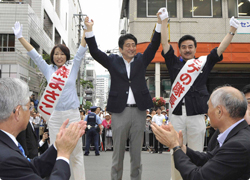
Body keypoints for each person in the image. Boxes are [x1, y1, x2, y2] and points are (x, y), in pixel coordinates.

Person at [84, 9, 162, 180]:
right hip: (120, 112)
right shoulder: (113, 61)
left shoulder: (141, 59)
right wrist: (89, 29)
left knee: (136, 154)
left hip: (140, 111)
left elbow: (154, 45)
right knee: (117, 153)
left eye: (133, 45)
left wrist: (159, 23)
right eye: (127, 45)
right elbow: (95, 51)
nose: (131, 48)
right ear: (120, 48)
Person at [161, 14, 240, 179]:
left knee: (196, 151)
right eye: (183, 47)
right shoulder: (173, 62)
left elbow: (220, 49)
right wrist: (163, 22)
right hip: (176, 115)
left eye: (190, 46)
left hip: (196, 113)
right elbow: (164, 43)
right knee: (175, 149)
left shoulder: (203, 63)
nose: (187, 49)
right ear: (179, 49)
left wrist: (232, 30)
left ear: (195, 49)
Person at [12, 21, 88, 180]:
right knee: (57, 151)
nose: (59, 57)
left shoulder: (71, 68)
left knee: (76, 153)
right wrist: (20, 37)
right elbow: (35, 55)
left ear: (66, 56)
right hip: (55, 117)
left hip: (72, 114)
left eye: (62, 54)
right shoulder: (48, 69)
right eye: (56, 53)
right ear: (52, 56)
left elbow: (81, 51)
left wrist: (86, 32)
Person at [151, 85, 250, 180]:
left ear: (219, 111)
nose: (207, 112)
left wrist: (175, 146)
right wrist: (182, 147)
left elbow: (198, 177)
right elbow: (210, 158)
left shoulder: (237, 145)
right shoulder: (235, 134)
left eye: (209, 107)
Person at [0, 77, 86, 180]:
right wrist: (63, 155)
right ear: (18, 112)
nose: (31, 111)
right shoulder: (9, 158)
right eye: (29, 107)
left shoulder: (7, 146)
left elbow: (31, 167)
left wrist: (58, 146)